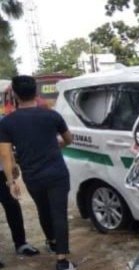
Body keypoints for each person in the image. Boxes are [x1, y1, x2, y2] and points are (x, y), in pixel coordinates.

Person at [0, 76, 75, 270]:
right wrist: (59, 143)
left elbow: (5, 154)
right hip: (57, 173)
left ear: (15, 94)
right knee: (59, 213)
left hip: (33, 176)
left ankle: (51, 241)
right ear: (36, 92)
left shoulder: (8, 122)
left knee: (43, 209)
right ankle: (62, 260)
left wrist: (11, 181)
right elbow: (68, 139)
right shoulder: (51, 115)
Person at [0, 159, 40, 268]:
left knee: (13, 207)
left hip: (2, 171)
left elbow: (5, 146)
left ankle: (21, 244)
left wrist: (12, 163)